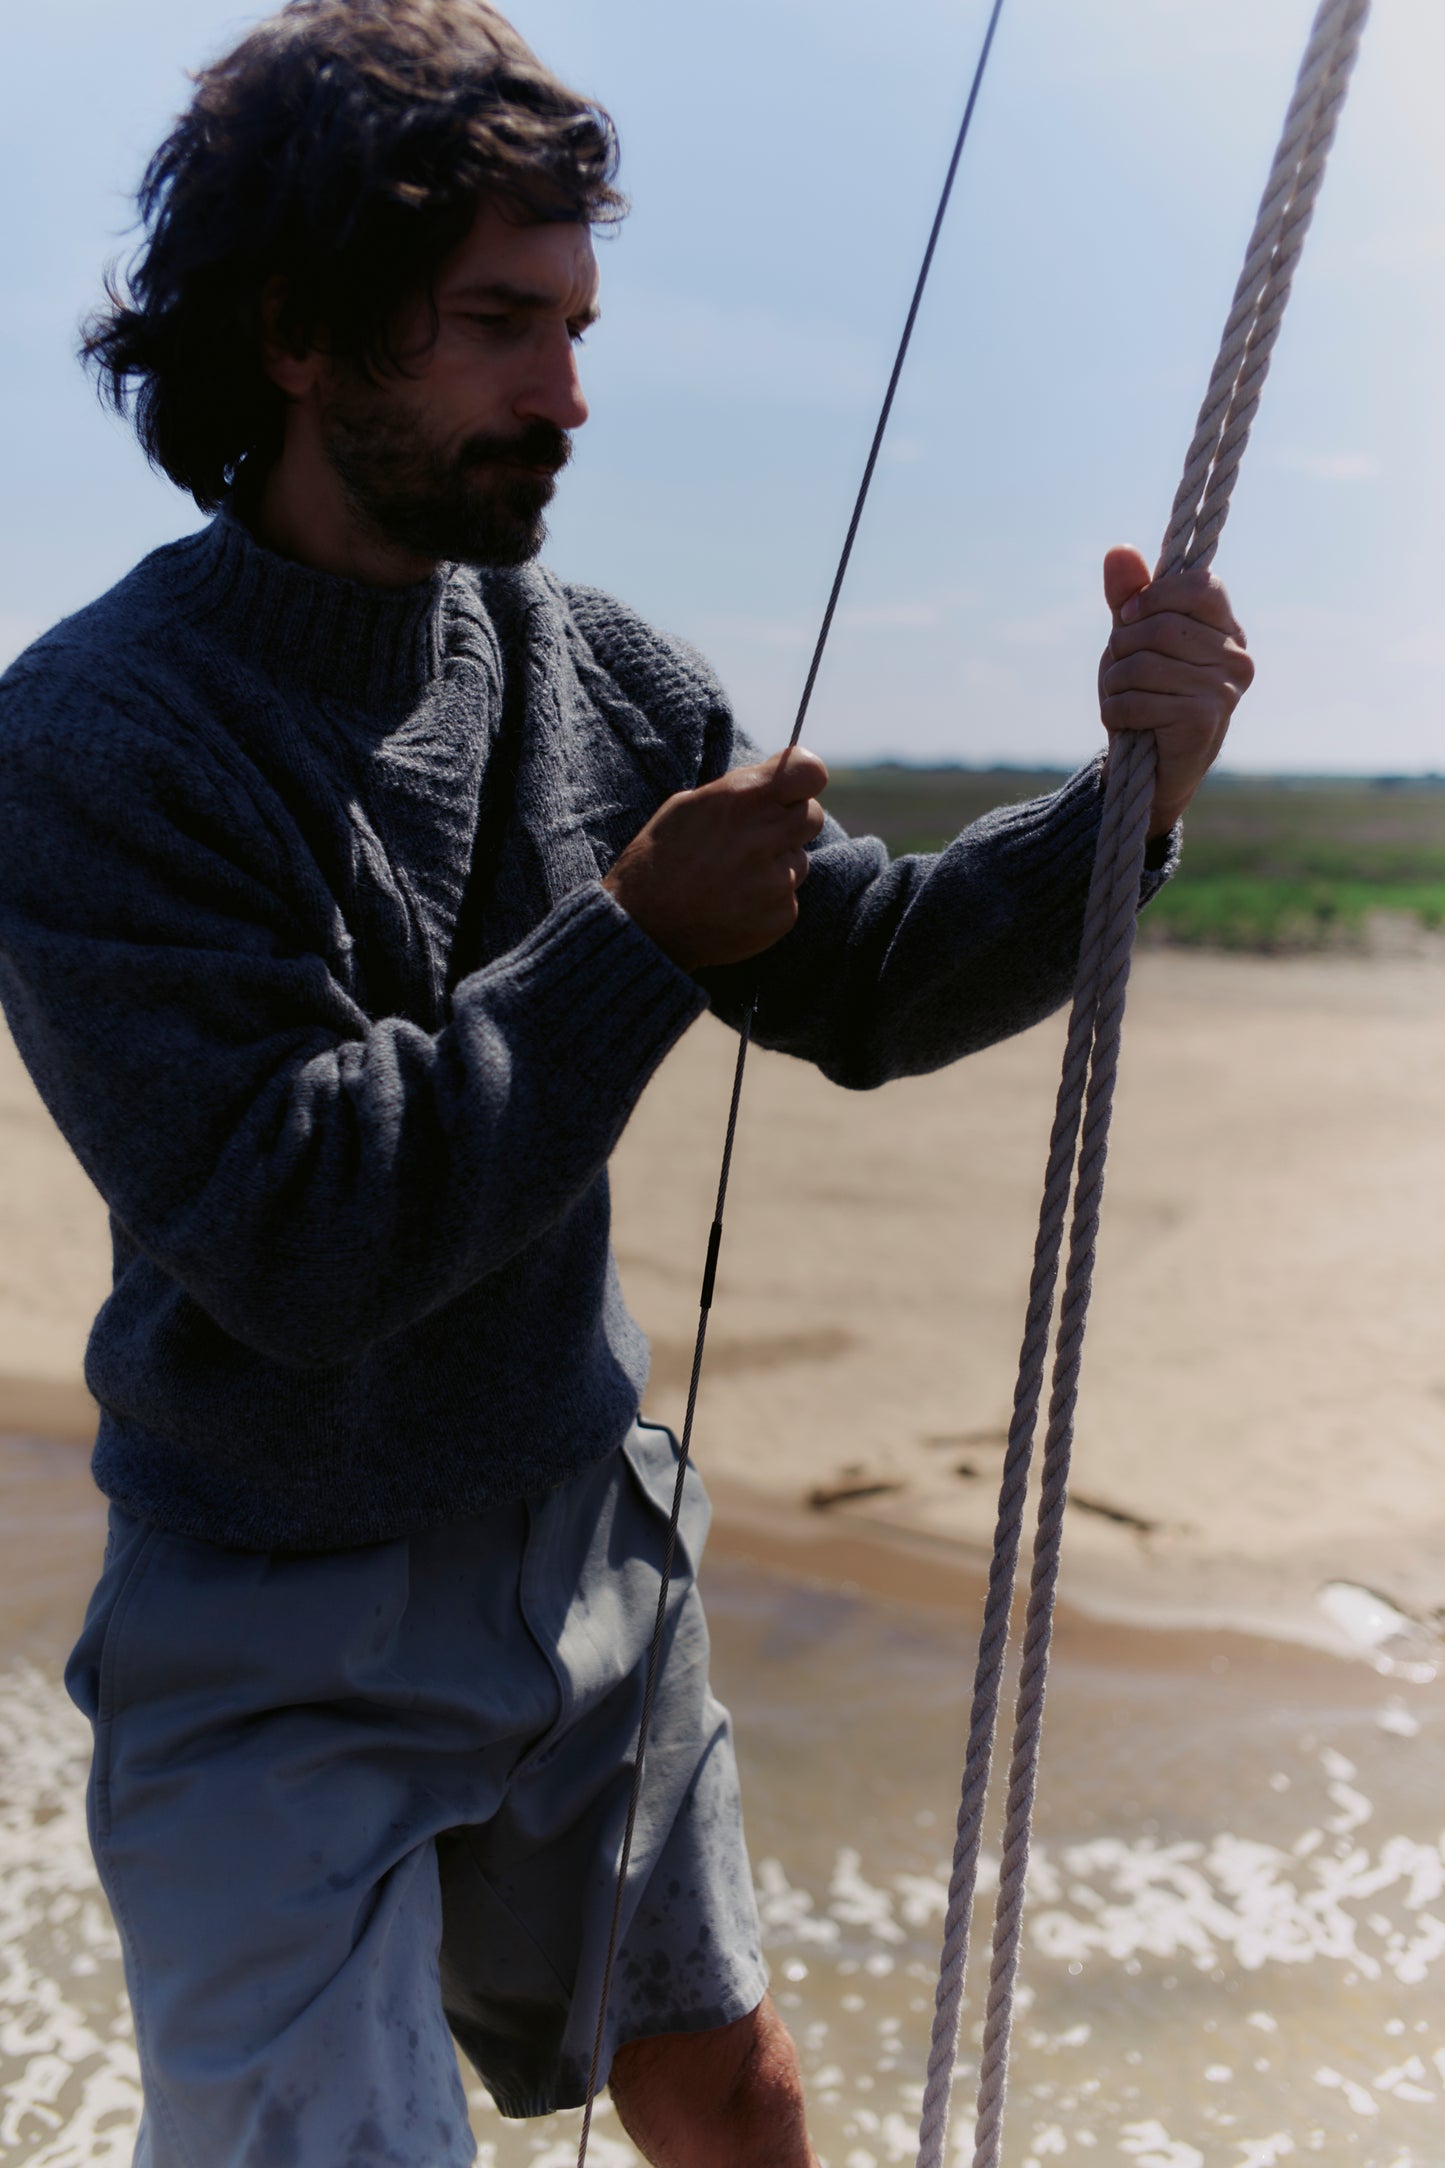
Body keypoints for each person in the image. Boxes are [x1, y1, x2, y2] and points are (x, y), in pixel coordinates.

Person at [0, 2, 1253, 2162]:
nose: (568, 393)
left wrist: (1135, 793)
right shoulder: (96, 737)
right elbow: (302, 1235)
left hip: (587, 1546)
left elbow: (872, 976)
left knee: (735, 2102)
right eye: (498, 324)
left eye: (577, 324)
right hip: (269, 1620)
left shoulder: (599, 669)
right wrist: (636, 940)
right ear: (298, 330)